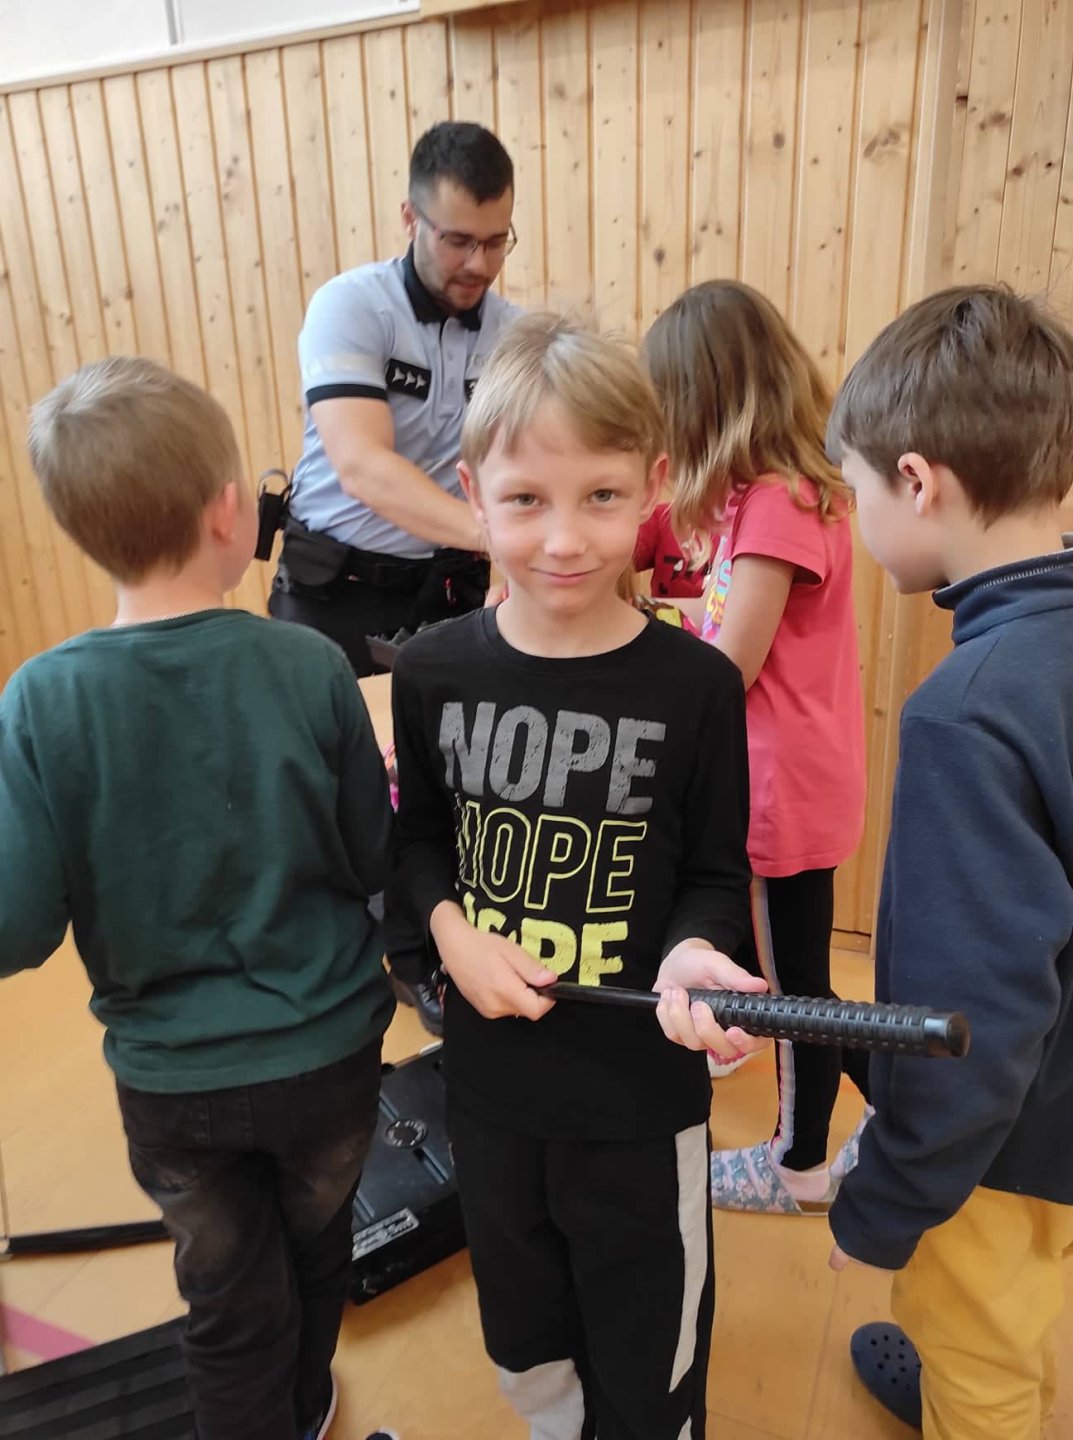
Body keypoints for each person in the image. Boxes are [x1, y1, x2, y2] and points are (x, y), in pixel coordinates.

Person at [386, 313, 769, 1440]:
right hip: (488, 1097)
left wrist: (695, 950)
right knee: (528, 1347)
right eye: (524, 500)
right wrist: (449, 932)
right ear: (473, 493)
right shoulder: (430, 671)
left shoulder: (696, 688)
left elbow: (714, 872)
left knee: (648, 1367)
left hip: (642, 1107)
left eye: (600, 496)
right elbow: (417, 845)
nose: (563, 539)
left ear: (653, 483)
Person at [0, 357, 397, 1440]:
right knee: (317, 1254)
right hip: (326, 1063)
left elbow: (17, 928)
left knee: (226, 1303)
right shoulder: (308, 667)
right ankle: (305, 1410)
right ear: (230, 511)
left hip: (173, 1090)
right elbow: (374, 860)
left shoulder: (40, 699)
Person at [824, 285, 1073, 1440]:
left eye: (854, 490)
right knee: (1029, 1303)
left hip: (1009, 1143)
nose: (856, 518)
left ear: (916, 482)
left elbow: (968, 1019)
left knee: (971, 1341)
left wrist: (886, 1195)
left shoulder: (964, 710)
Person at [641, 280, 868, 1214]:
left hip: (782, 793)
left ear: (705, 399)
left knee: (793, 989)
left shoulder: (775, 503)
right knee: (788, 970)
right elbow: (728, 620)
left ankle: (797, 1162)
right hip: (787, 778)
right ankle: (899, 1094)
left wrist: (646, 650)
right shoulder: (771, 496)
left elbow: (730, 663)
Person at [269, 120, 521, 679]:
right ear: (410, 219)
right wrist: (497, 536)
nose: (479, 264)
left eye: (495, 242)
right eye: (458, 241)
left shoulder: (515, 334)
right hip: (335, 592)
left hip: (450, 591)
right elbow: (362, 466)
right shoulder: (350, 307)